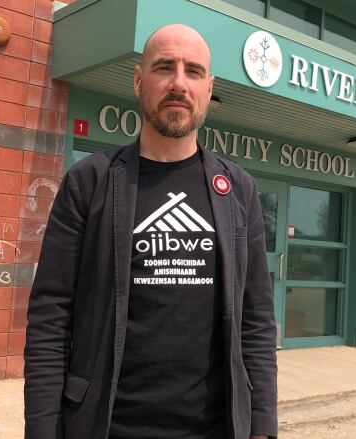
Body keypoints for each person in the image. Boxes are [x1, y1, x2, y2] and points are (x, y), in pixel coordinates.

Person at [24, 23, 277, 439]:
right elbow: (51, 315)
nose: (179, 83)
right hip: (104, 426)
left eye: (193, 71)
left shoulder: (238, 190)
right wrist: (42, 429)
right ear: (139, 80)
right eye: (165, 67)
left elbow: (257, 319)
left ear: (208, 88)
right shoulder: (89, 181)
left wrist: (263, 424)